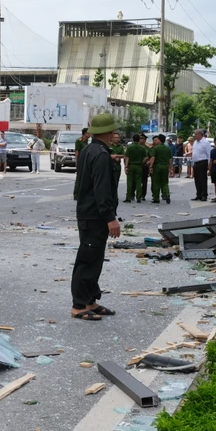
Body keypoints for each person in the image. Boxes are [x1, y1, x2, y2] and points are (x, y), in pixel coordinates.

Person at [70, 113, 122, 321]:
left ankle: (91, 299)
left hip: (89, 212)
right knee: (88, 259)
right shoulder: (100, 154)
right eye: (113, 131)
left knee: (95, 259)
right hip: (95, 215)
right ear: (108, 132)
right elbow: (101, 189)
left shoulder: (89, 150)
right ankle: (79, 304)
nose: (114, 135)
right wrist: (110, 217)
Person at [147, 134, 171, 204]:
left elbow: (153, 158)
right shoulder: (167, 148)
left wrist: (151, 166)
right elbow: (170, 159)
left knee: (156, 183)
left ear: (159, 140)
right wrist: (170, 168)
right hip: (165, 166)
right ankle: (166, 194)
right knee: (165, 182)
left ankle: (156, 198)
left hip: (157, 167)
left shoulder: (156, 148)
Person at [124, 134, 148, 203]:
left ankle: (128, 197)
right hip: (139, 166)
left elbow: (127, 157)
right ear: (139, 139)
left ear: (133, 139)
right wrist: (142, 162)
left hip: (131, 165)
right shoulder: (142, 148)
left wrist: (126, 166)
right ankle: (138, 198)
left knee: (130, 182)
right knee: (138, 182)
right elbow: (146, 157)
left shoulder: (129, 147)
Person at [190, 129, 212, 201]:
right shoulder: (196, 142)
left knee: (202, 179)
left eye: (196, 134)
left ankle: (204, 195)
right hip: (196, 162)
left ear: (200, 134)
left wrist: (209, 165)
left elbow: (209, 154)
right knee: (197, 179)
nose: (195, 136)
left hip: (203, 162)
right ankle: (198, 194)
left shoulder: (205, 143)